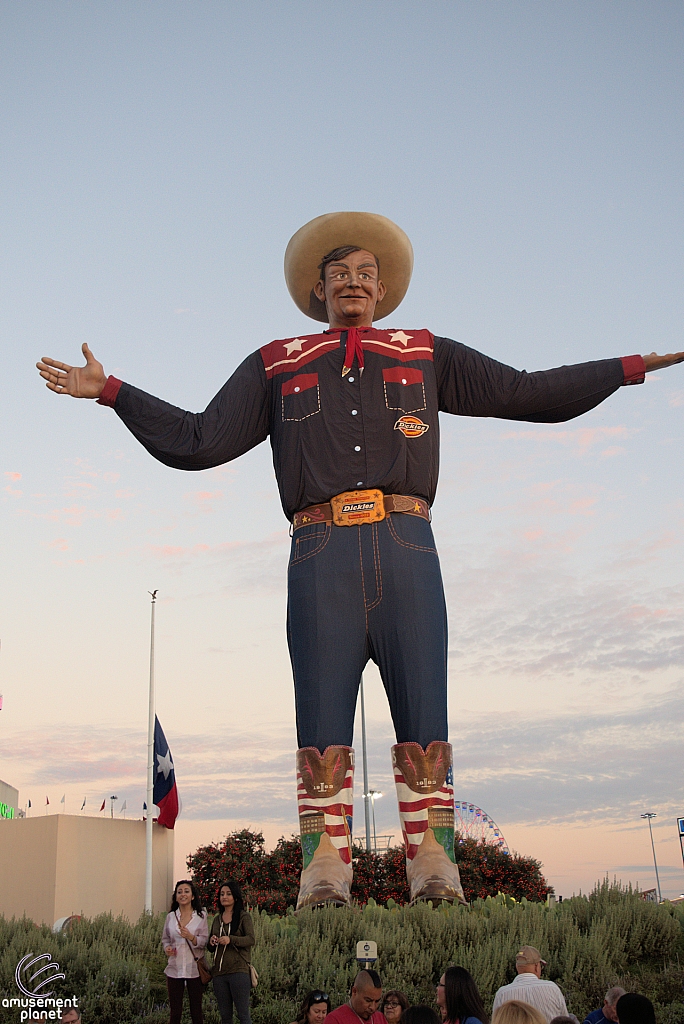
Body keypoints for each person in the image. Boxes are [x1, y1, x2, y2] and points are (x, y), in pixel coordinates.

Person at [36, 212, 684, 910]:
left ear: (383, 288)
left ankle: (435, 869)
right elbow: (199, 439)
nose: (354, 283)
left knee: (425, 712)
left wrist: (625, 370)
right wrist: (110, 392)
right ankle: (323, 875)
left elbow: (522, 392)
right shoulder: (277, 361)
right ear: (317, 290)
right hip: (320, 551)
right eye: (340, 274)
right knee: (319, 715)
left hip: (409, 544)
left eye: (366, 274)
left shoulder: (426, 352)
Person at [161, 879, 209, 1024]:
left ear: (192, 896)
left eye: (186, 891)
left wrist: (191, 937)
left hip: (194, 969)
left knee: (196, 1011)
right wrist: (167, 948)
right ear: (176, 896)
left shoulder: (201, 916)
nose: (183, 895)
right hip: (174, 969)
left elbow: (204, 941)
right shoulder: (171, 917)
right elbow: (165, 939)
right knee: (175, 1012)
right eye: (179, 892)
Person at [209, 879, 255, 1024]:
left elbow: (250, 939)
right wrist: (212, 941)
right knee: (225, 1016)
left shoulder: (243, 917)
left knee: (243, 1014)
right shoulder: (217, 920)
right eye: (222, 894)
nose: (224, 897)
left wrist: (231, 939)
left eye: (228, 894)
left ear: (235, 897)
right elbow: (210, 947)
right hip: (219, 973)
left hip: (238, 971)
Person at [492, 947, 568, 1023]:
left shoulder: (502, 993)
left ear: (517, 967)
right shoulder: (552, 988)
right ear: (536, 967)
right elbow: (565, 1020)